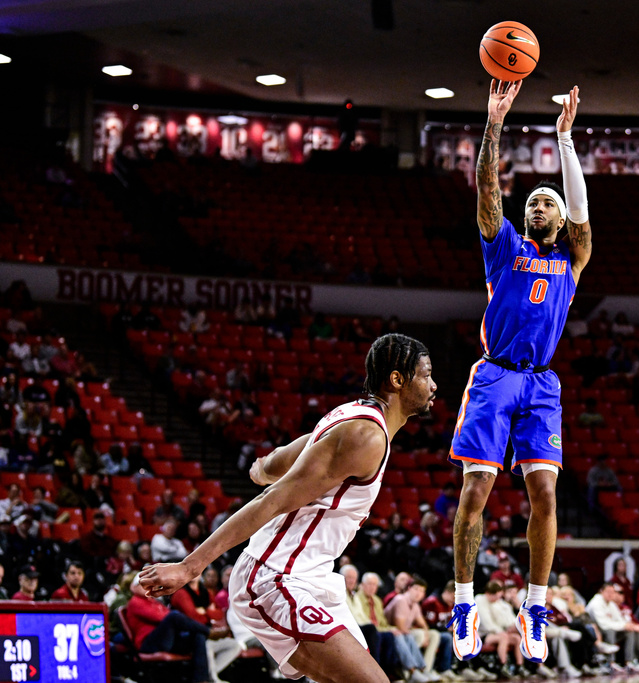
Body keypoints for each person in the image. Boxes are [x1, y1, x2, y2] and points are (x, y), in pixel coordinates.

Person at [138, 333, 437, 683]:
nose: (433, 385)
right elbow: (273, 499)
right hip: (274, 576)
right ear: (398, 380)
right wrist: (190, 568)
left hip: (311, 577)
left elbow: (281, 461)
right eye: (425, 374)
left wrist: (260, 468)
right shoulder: (365, 436)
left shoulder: (350, 416)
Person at [448, 82, 593, 664]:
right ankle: (464, 601)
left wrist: (564, 140)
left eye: (547, 202)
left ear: (560, 220)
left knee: (545, 493)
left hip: (541, 382)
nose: (538, 205)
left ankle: (535, 604)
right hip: (496, 375)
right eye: (532, 200)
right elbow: (488, 191)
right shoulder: (504, 245)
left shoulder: (572, 259)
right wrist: (493, 125)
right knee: (477, 487)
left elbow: (581, 211)